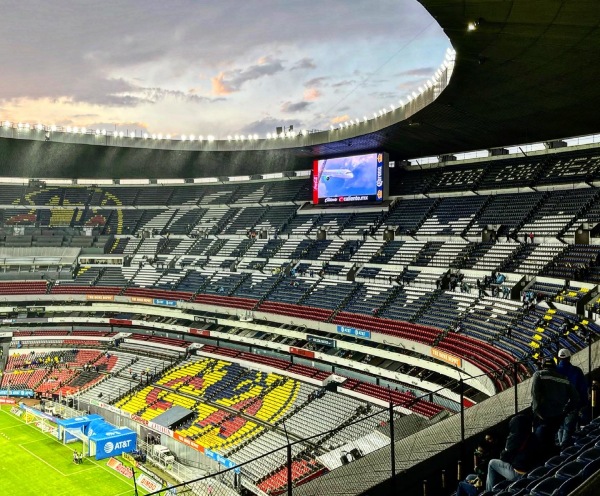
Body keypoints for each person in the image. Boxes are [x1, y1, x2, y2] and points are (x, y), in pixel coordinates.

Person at [531, 357, 579, 455]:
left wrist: (536, 411)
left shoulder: (538, 374)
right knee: (551, 438)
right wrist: (565, 411)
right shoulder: (564, 379)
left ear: (543, 366)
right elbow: (576, 398)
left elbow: (534, 394)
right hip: (558, 415)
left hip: (543, 415)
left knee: (540, 439)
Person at [486, 414, 539, 491]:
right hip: (533, 471)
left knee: (492, 463)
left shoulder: (513, 439)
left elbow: (504, 457)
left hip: (519, 474)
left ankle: (489, 492)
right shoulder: (533, 436)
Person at [556, 348, 588, 447]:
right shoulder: (576, 371)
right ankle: (564, 451)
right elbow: (583, 388)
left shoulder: (554, 371)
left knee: (560, 427)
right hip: (573, 404)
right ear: (569, 357)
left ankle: (561, 452)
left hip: (557, 404)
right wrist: (584, 403)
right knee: (568, 429)